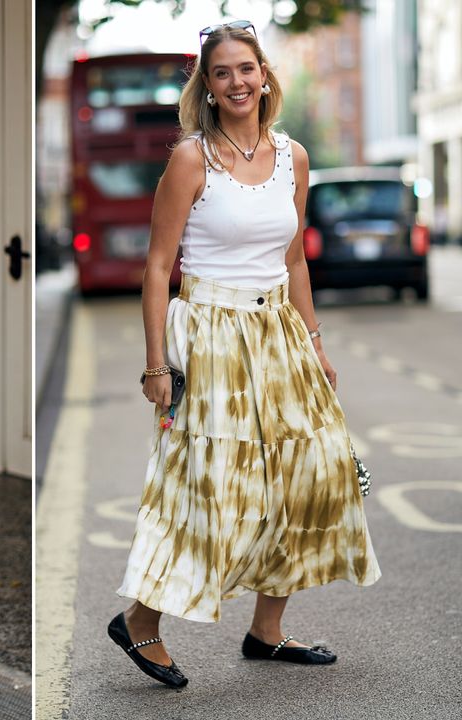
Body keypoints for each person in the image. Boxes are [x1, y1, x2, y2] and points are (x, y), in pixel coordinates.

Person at [108, 20, 381, 688]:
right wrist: (154, 364)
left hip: (280, 333)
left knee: (315, 474)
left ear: (266, 76)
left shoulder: (295, 156)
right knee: (216, 493)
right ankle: (141, 622)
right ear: (208, 84)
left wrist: (315, 343)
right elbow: (156, 266)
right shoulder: (191, 158)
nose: (237, 82)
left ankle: (266, 630)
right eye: (222, 72)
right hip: (210, 336)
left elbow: (293, 261)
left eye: (247, 69)